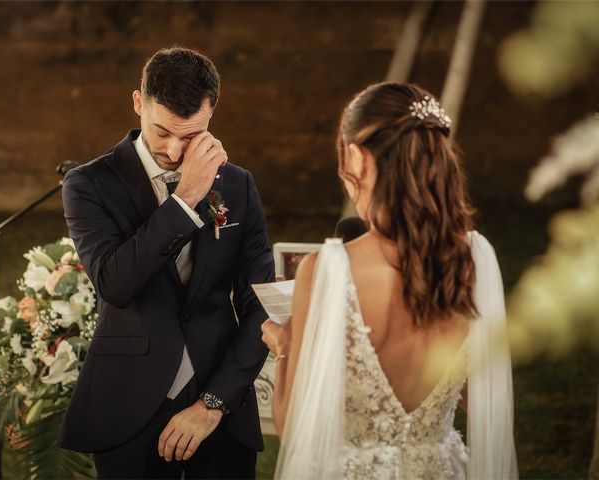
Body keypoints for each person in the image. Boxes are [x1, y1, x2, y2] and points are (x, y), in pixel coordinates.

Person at [262, 83, 518, 479]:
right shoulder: (476, 260)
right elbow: (482, 397)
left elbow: (294, 431)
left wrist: (286, 346)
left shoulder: (329, 270)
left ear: (357, 158)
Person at [58, 46, 275, 479]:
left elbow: (261, 303)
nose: (175, 151)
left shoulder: (238, 185)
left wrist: (214, 405)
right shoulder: (88, 184)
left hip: (221, 403)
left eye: (192, 135)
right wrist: (185, 198)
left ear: (212, 114)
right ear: (138, 102)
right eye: (162, 132)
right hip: (127, 405)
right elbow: (115, 284)